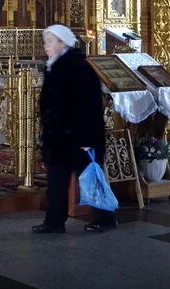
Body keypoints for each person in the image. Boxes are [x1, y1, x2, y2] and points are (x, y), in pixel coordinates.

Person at [34, 24, 116, 234]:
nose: (46, 46)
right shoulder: (54, 64)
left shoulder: (79, 66)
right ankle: (54, 222)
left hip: (79, 135)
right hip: (59, 135)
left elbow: (87, 105)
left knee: (91, 177)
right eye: (45, 42)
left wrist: (85, 137)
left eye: (50, 42)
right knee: (57, 180)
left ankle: (106, 218)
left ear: (63, 43)